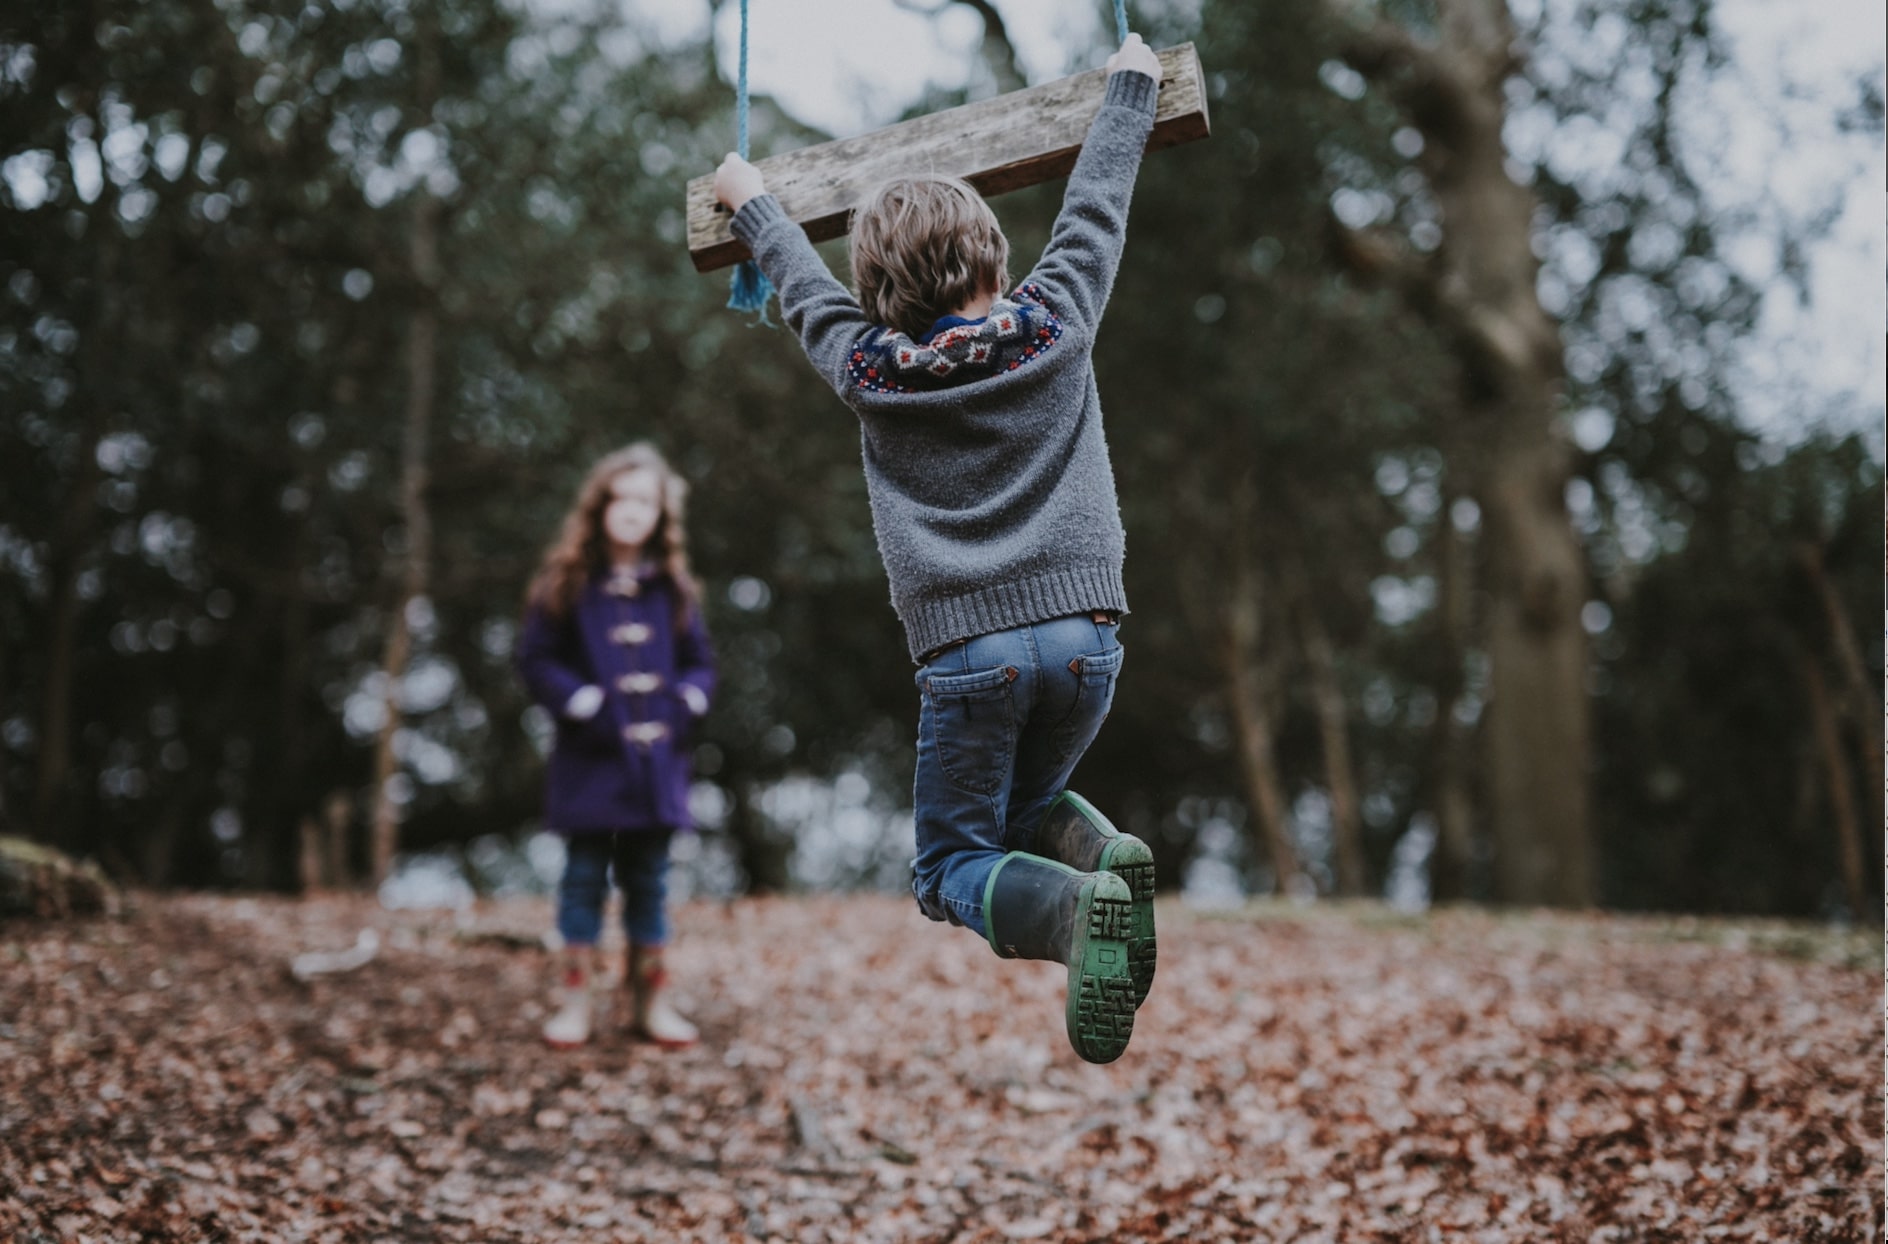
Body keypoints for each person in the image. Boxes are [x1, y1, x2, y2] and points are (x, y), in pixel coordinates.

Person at [710, 35, 1164, 1063]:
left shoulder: (870, 367)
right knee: (1030, 805)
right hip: (1088, 638)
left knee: (949, 861)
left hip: (971, 654)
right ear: (995, 254)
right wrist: (1129, 81)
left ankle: (1072, 912)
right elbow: (1097, 202)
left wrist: (751, 199)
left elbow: (798, 285)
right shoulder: (1057, 321)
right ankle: (1105, 855)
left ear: (882, 289)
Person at [516, 443, 716, 1050]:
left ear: (661, 515)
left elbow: (700, 664)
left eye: (645, 502)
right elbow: (534, 657)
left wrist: (687, 701)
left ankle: (649, 1003)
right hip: (590, 763)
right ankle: (575, 1003)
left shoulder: (674, 589)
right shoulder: (567, 582)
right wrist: (582, 703)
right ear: (599, 507)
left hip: (657, 768)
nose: (632, 512)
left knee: (650, 881)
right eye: (621, 498)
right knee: (582, 879)